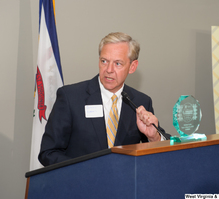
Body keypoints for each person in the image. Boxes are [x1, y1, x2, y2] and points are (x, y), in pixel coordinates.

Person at [38, 32, 171, 166]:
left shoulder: (140, 101)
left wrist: (154, 137)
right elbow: (48, 153)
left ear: (132, 67)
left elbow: (168, 149)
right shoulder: (70, 97)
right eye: (104, 61)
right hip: (81, 183)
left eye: (118, 63)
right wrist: (86, 171)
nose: (109, 69)